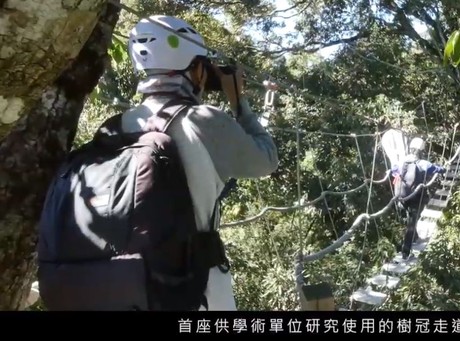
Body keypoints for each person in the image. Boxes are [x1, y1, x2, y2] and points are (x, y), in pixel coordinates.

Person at [36, 15, 278, 311]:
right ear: (197, 70)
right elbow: (266, 160)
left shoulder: (113, 127)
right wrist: (239, 102)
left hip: (122, 289)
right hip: (194, 291)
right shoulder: (205, 120)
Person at [391, 137, 445, 260]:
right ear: (421, 151)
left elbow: (393, 172)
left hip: (402, 197)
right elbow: (437, 169)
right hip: (417, 198)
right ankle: (406, 252)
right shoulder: (422, 163)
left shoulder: (401, 162)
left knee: (410, 221)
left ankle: (414, 237)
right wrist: (444, 168)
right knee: (412, 222)